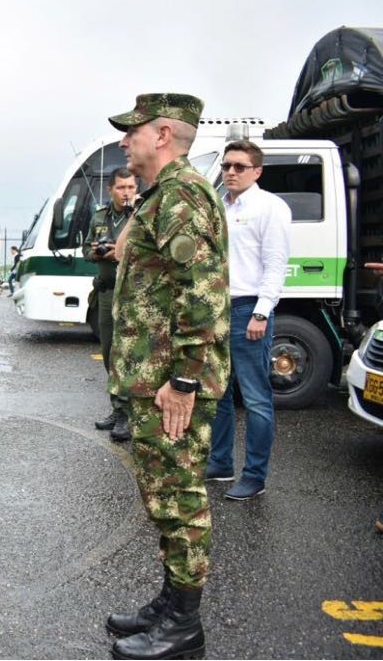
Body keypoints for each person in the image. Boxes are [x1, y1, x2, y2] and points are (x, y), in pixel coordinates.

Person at [104, 94, 229, 660]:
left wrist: (183, 381)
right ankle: (169, 600)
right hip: (151, 378)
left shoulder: (180, 197)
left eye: (132, 132)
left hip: (169, 384)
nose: (124, 141)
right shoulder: (159, 198)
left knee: (179, 497)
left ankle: (185, 625)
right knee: (162, 496)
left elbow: (202, 297)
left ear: (162, 135)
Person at [207, 140, 291, 500]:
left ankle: (254, 476)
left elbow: (276, 263)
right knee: (220, 394)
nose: (231, 172)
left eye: (240, 166)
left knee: (256, 398)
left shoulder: (269, 207)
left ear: (257, 171)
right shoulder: (219, 207)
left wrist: (261, 311)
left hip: (248, 310)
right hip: (217, 309)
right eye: (227, 166)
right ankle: (221, 463)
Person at [85, 168, 138, 443]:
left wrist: (119, 250)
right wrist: (95, 252)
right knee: (109, 354)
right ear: (111, 190)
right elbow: (86, 250)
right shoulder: (99, 217)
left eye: (130, 186)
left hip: (133, 294)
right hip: (106, 293)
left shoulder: (140, 214)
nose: (127, 192)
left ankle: (127, 414)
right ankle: (117, 408)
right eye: (121, 187)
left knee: (127, 355)